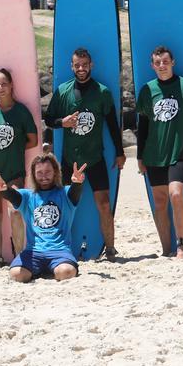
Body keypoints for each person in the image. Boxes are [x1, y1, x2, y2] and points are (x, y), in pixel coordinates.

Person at [43, 48, 126, 260]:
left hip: (95, 158)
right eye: (77, 65)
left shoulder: (102, 92)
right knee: (65, 204)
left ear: (91, 65)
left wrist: (119, 152)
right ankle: (61, 246)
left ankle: (110, 247)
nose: (81, 68)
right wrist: (63, 122)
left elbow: (112, 125)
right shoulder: (63, 91)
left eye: (84, 64)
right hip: (70, 159)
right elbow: (48, 120)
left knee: (104, 203)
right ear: (72, 66)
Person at [136, 46, 183, 259]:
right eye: (157, 63)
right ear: (152, 65)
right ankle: (166, 249)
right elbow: (143, 126)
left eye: (165, 61)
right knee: (160, 202)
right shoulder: (147, 90)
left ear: (173, 62)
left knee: (176, 194)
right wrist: (140, 156)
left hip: (179, 153)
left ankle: (182, 247)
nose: (161, 66)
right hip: (153, 155)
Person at [0, 154, 86, 282]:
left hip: (59, 251)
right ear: (33, 175)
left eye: (48, 172)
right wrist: (4, 190)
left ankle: (47, 269)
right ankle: (38, 269)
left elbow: (74, 193)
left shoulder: (65, 193)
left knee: (65, 273)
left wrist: (77, 184)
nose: (44, 176)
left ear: (55, 172)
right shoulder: (27, 196)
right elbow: (14, 197)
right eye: (39, 173)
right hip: (33, 252)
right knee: (16, 274)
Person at [0, 69, 39, 265]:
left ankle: (20, 254)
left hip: (14, 171)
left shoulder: (21, 111)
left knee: (15, 211)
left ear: (11, 85)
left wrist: (15, 148)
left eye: (4, 84)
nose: (1, 88)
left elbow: (33, 141)